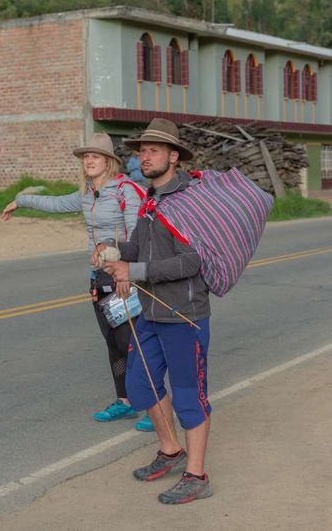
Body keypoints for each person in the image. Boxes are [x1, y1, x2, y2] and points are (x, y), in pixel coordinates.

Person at [92, 118, 213, 504]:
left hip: (184, 316)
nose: (145, 156)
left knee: (189, 396)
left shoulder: (189, 201)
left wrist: (135, 271)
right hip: (151, 314)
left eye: (154, 150)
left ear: (173, 156)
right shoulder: (150, 200)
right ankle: (170, 450)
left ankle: (197, 475)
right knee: (141, 386)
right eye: (142, 150)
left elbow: (192, 261)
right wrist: (113, 253)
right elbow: (138, 249)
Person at [2, 132, 154, 432]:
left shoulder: (126, 190)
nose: (89, 160)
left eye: (95, 156)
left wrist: (128, 272)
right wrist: (20, 200)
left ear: (109, 161)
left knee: (132, 343)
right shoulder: (87, 193)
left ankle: (153, 405)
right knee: (113, 344)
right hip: (98, 278)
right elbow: (56, 203)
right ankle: (124, 401)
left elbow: (138, 236)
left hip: (123, 275)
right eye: (86, 157)